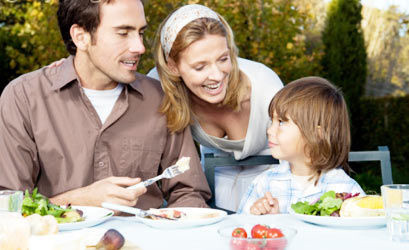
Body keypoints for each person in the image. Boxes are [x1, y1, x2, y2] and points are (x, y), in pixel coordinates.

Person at [0, 0, 211, 210]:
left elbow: (188, 193)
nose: (140, 47)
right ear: (80, 37)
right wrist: (78, 200)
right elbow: (8, 204)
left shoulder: (161, 98)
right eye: (123, 33)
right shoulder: (24, 97)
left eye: (140, 33)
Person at [147, 4, 284, 211]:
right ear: (173, 67)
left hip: (272, 181)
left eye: (223, 59)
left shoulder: (266, 85)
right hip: (214, 178)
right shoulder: (158, 85)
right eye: (200, 67)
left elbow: (302, 152)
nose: (218, 76)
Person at [237, 77, 365, 215]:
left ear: (317, 133)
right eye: (271, 121)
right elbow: (240, 229)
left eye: (281, 122)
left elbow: (361, 233)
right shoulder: (264, 183)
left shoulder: (345, 190)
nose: (269, 130)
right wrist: (262, 218)